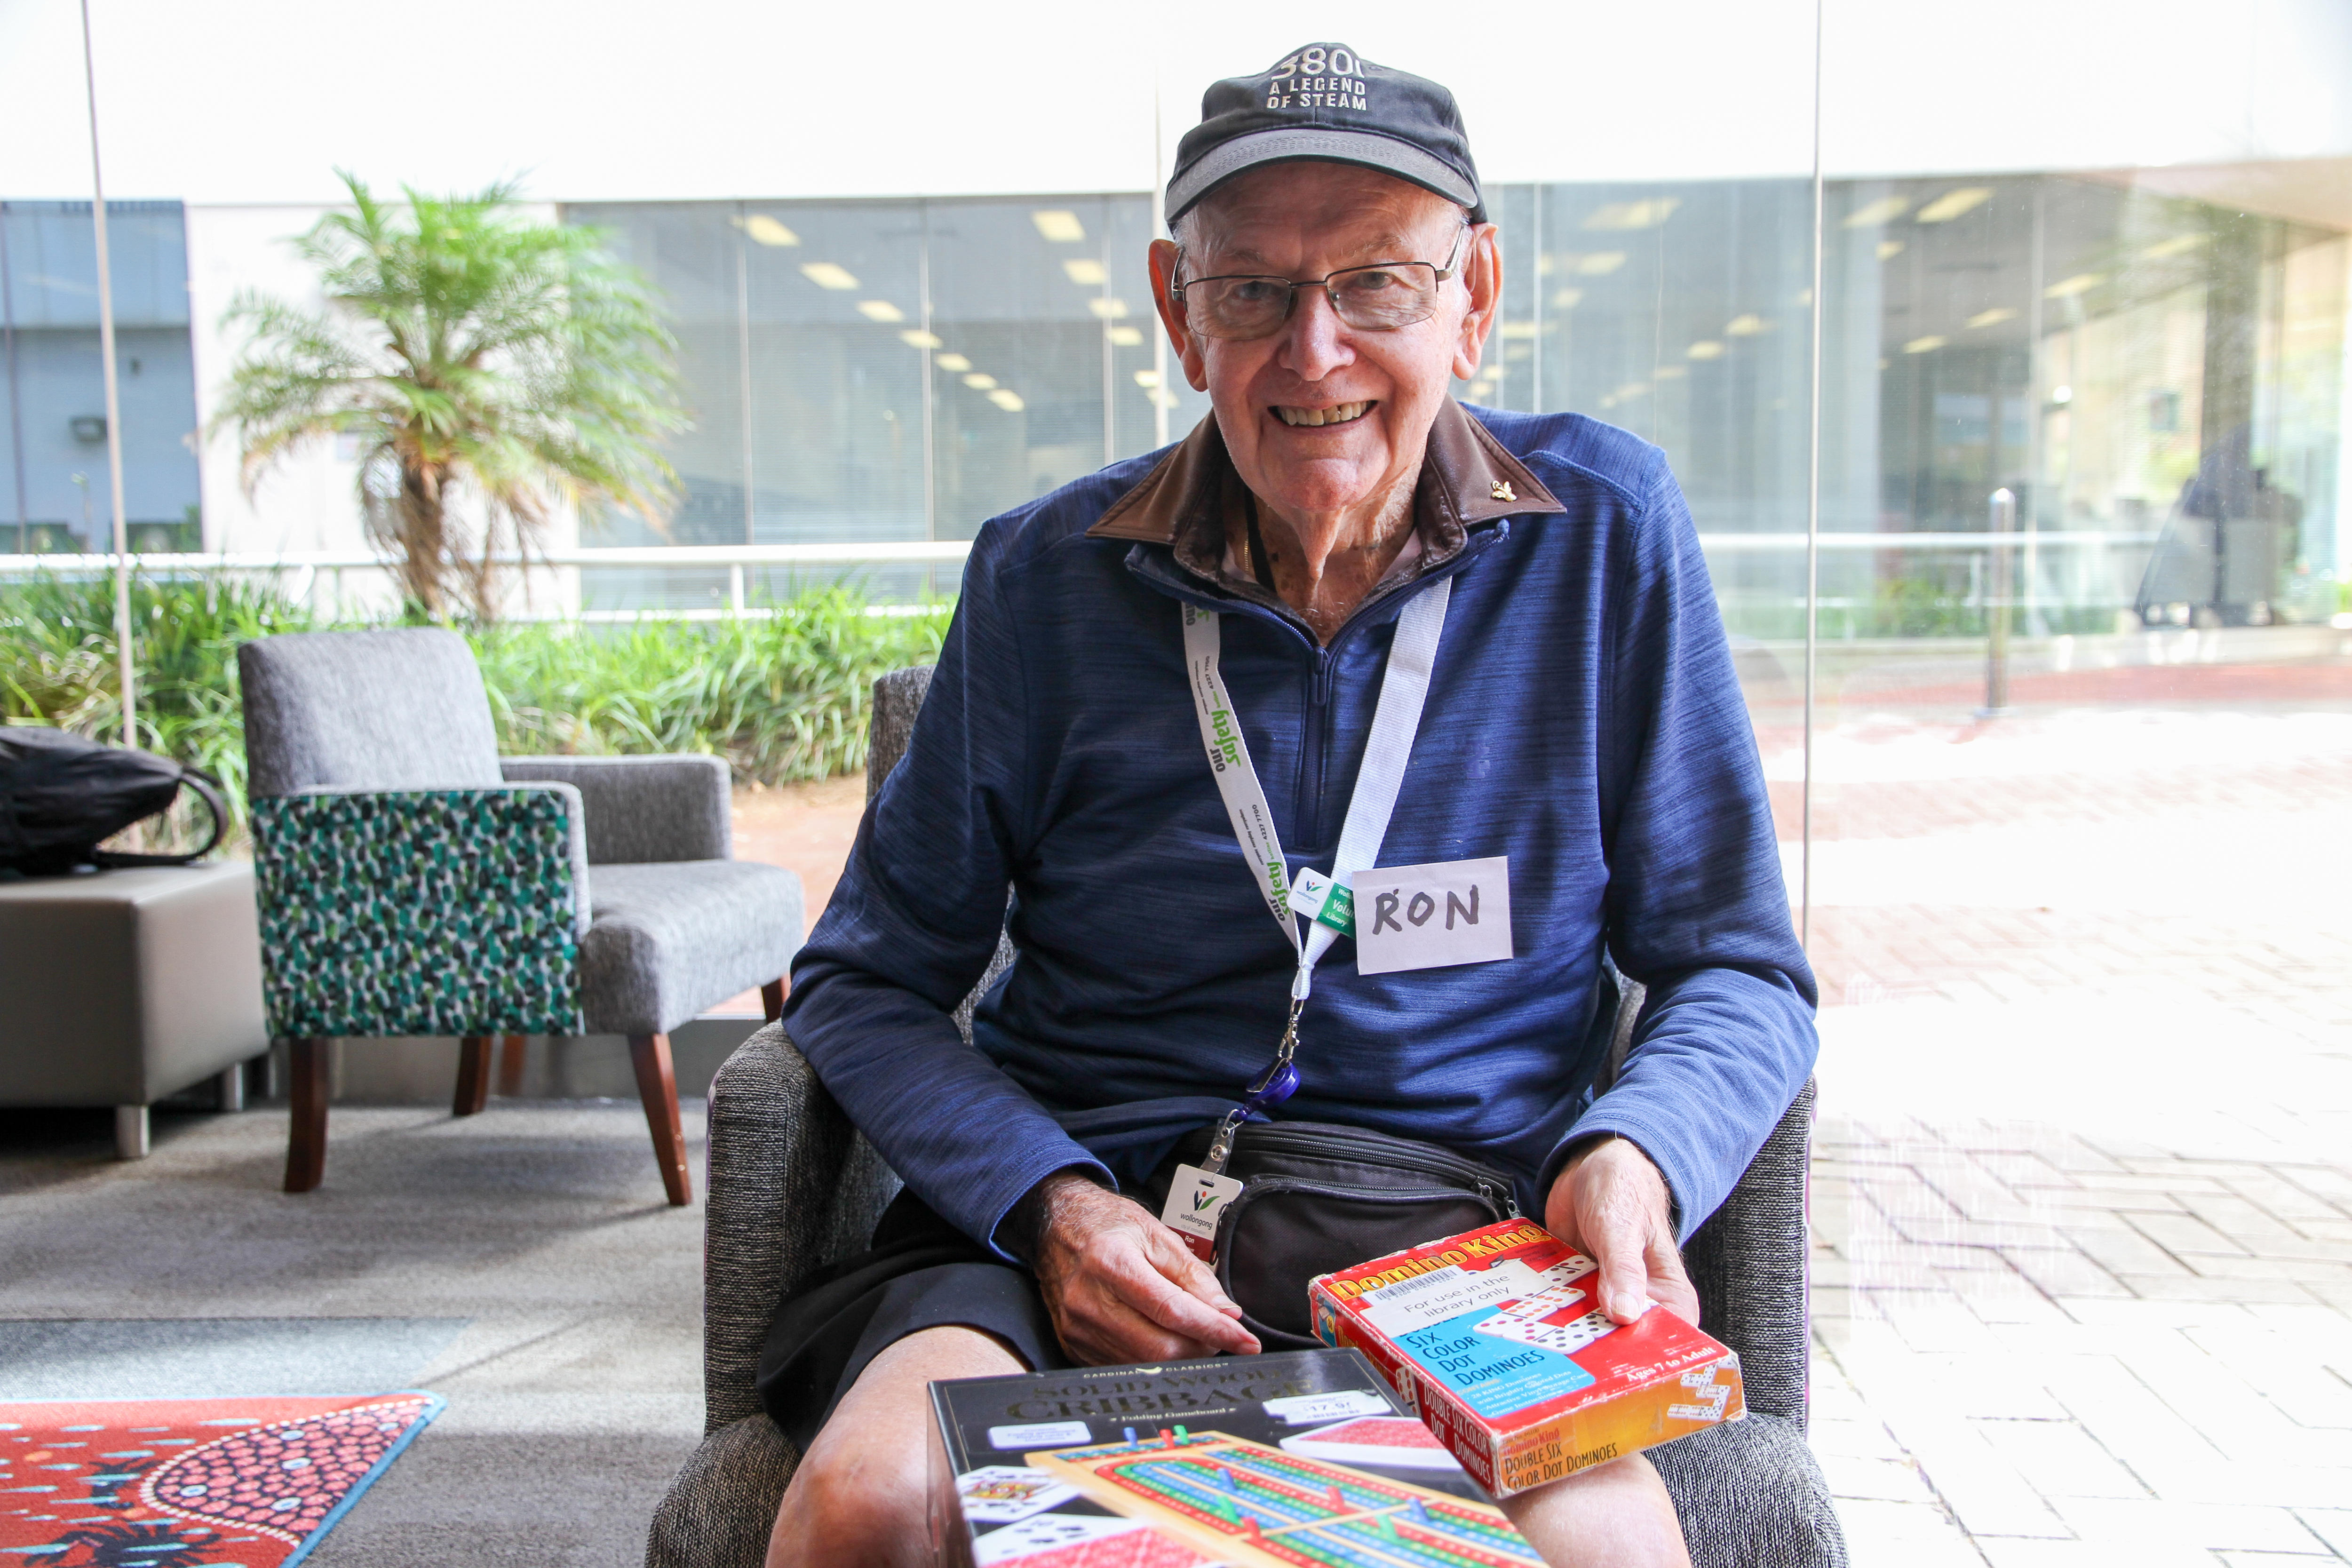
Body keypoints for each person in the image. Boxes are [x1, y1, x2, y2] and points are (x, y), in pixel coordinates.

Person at [759, 43, 1816, 1568]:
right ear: (1179, 313)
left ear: (1479, 294)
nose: (1313, 354)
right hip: (1089, 1218)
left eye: (1377, 282)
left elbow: (1740, 966)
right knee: (871, 1504)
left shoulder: (1604, 540)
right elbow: (863, 982)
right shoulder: (1045, 580)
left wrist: (1634, 1147)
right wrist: (1050, 1206)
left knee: (1605, 1555)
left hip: (1457, 1243)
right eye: (1251, 290)